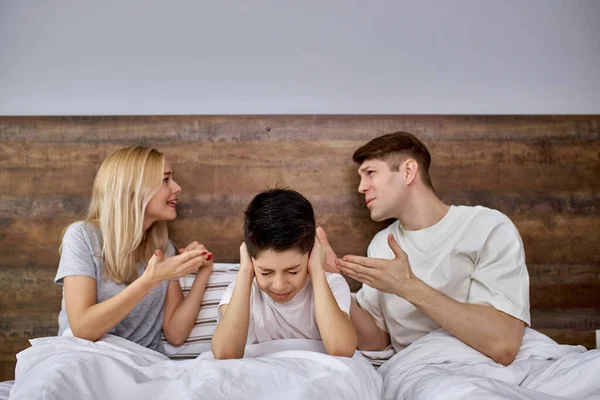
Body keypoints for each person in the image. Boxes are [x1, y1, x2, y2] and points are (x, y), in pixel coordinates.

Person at [320, 131, 530, 366]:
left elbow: (504, 345)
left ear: (408, 172)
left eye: (370, 173)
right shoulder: (381, 244)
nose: (361, 187)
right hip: (423, 368)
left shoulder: (486, 226)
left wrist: (407, 286)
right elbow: (377, 341)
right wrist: (333, 279)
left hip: (486, 365)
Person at [55, 146, 213, 352]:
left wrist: (204, 271)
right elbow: (82, 330)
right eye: (165, 180)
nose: (177, 187)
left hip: (141, 363)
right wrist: (151, 280)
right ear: (134, 189)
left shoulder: (163, 248)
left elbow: (176, 334)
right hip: (85, 357)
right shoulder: (83, 236)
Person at [211, 188, 357, 359]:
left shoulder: (332, 285)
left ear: (311, 254)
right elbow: (225, 354)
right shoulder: (242, 291)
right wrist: (244, 272)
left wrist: (317, 270)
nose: (279, 285)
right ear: (250, 260)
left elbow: (342, 350)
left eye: (293, 271)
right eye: (266, 272)